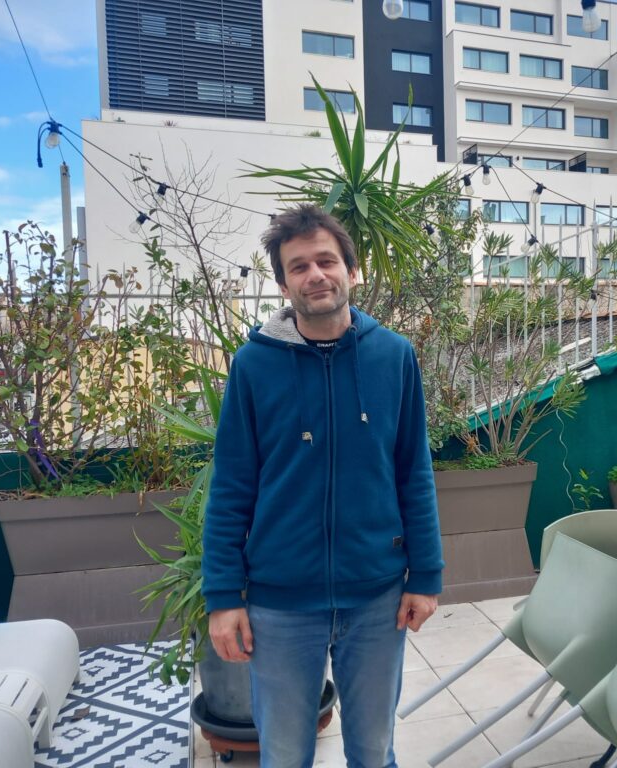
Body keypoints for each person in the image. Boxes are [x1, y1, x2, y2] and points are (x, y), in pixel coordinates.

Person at [202, 203, 444, 768]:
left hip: (377, 597)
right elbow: (233, 484)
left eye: (327, 261)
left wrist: (426, 575)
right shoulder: (253, 365)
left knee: (372, 752)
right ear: (284, 283)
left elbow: (414, 472)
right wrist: (222, 597)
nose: (316, 275)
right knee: (284, 756)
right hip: (281, 603)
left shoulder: (394, 357)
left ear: (351, 271)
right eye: (299, 266)